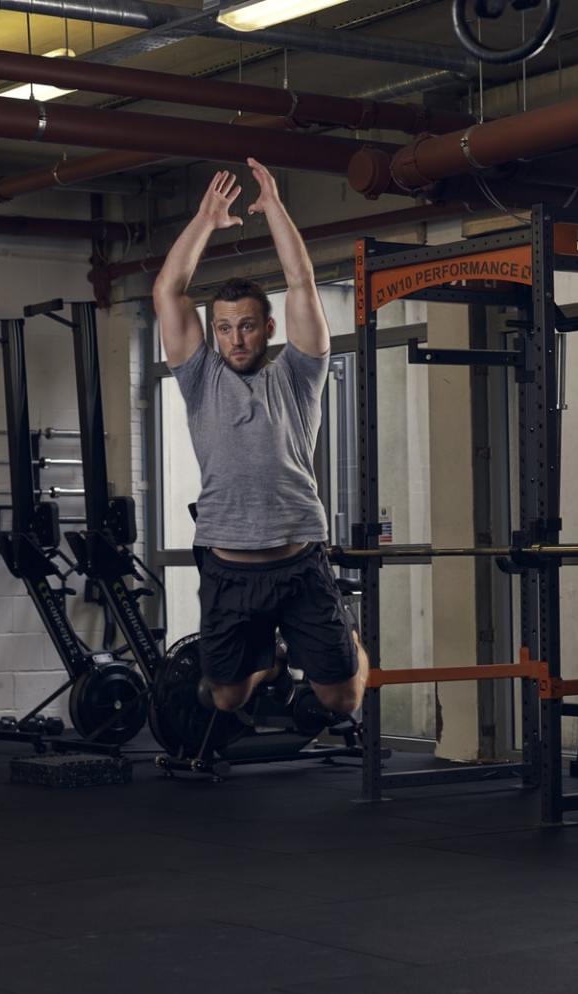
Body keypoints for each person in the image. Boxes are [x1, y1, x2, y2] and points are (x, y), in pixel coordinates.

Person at [152, 157, 368, 717]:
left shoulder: (298, 375)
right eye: (223, 328)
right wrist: (205, 219)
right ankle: (267, 657)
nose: (234, 337)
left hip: (298, 560)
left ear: (267, 327)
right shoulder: (200, 379)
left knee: (342, 700)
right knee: (227, 698)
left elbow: (301, 282)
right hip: (228, 567)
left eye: (246, 325)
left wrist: (272, 206)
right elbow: (169, 291)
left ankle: (348, 642)